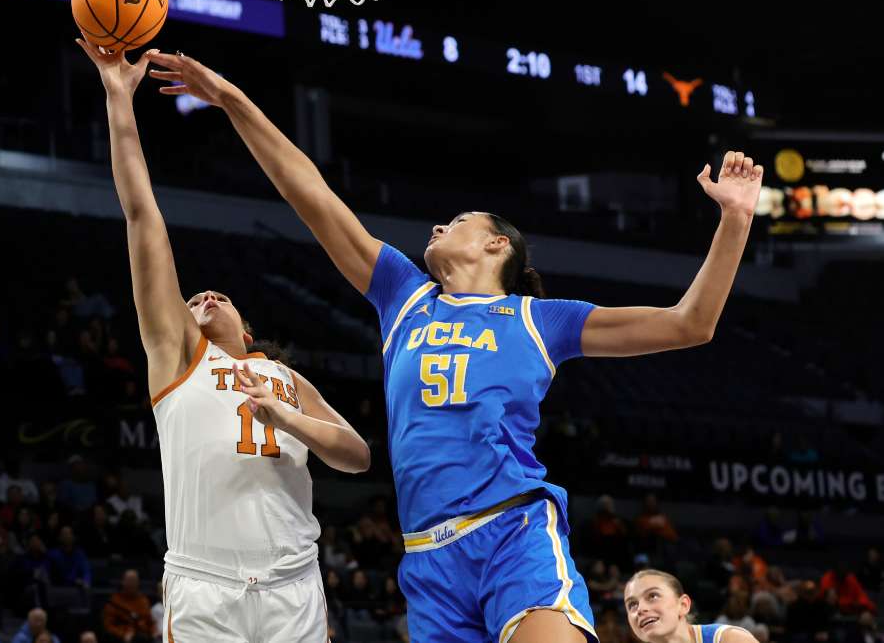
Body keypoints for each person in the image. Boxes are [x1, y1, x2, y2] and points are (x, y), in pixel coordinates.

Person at [145, 49, 765, 643]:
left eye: (459, 221)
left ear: (498, 245)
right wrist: (229, 99)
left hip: (511, 531)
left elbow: (690, 323)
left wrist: (734, 221)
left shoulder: (541, 320)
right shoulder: (404, 296)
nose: (438, 227)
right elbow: (306, 190)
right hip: (428, 559)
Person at [76, 38, 371, 643]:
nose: (204, 298)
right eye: (193, 300)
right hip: (206, 584)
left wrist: (288, 418)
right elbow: (142, 218)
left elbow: (357, 455)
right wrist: (118, 102)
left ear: (250, 329)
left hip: (293, 581)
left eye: (219, 296)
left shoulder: (287, 379)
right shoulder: (180, 356)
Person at [623, 570, 755, 643]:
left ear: (683, 605)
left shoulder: (729, 639)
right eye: (632, 604)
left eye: (653, 596)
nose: (640, 609)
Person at [100, 572, 152, 643]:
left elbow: (150, 622)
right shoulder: (114, 601)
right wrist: (123, 634)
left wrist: (154, 632)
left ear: (138, 583)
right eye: (129, 580)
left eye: (134, 581)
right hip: (121, 637)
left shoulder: (143, 601)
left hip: (141, 636)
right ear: (123, 582)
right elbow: (108, 625)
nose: (131, 584)